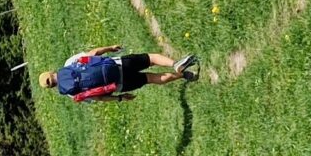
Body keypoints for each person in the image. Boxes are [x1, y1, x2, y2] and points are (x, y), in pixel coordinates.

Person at [44, 46, 197, 100]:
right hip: (118, 65)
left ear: (52, 87)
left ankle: (183, 75)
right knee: (151, 59)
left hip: (119, 84)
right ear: (51, 73)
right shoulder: (69, 64)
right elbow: (92, 54)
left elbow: (97, 97)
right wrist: (110, 48)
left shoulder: (71, 93)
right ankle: (175, 65)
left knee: (150, 78)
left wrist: (119, 98)